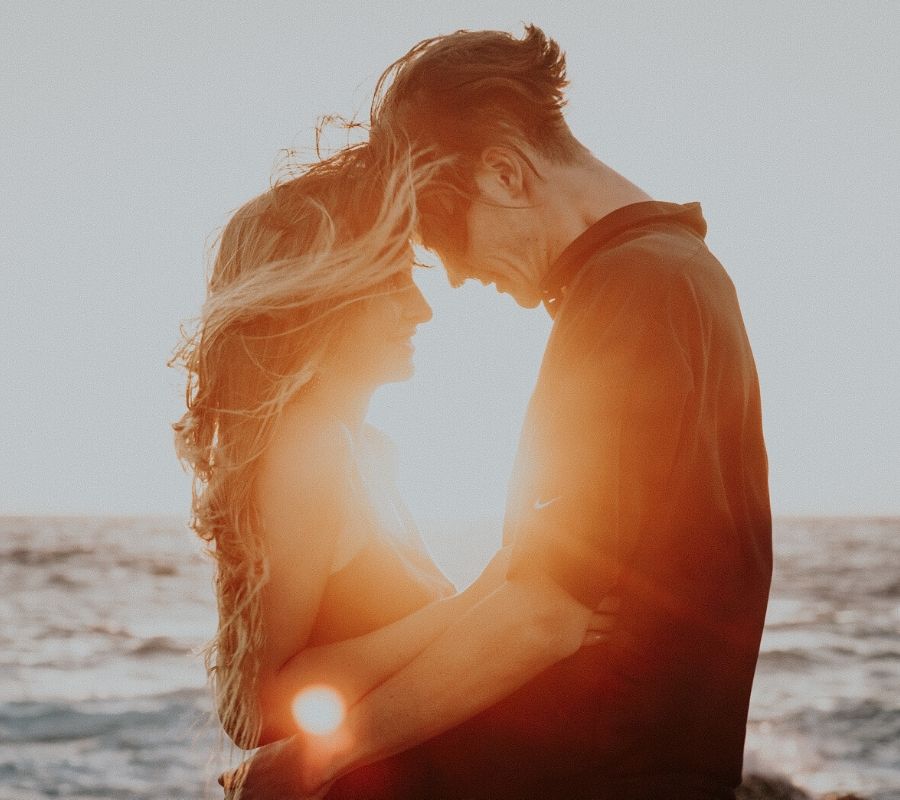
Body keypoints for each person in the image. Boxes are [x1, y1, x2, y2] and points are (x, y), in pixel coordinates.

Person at [230, 24, 772, 800]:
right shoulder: (671, 272)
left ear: (506, 174)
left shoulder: (632, 289)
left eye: (443, 234)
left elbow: (543, 612)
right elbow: (541, 582)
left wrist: (321, 756)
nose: (450, 278)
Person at [172, 139, 619, 799]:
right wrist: (473, 606)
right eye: (391, 283)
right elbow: (255, 703)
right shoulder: (309, 449)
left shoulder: (370, 451)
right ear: (319, 301)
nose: (422, 308)